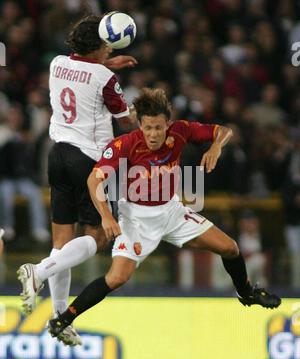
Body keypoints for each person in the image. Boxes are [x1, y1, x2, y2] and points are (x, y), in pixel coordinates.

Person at [22, 87, 280, 339]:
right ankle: (64, 319)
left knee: (231, 247)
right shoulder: (124, 144)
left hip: (171, 212)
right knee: (117, 277)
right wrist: (107, 216)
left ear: (167, 124)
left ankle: (246, 293)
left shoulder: (181, 131)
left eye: (158, 127)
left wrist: (215, 147)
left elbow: (224, 131)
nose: (153, 134)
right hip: (135, 218)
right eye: (148, 128)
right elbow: (93, 181)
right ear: (140, 126)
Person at [17, 15, 137, 346]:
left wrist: (107, 63)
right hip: (90, 162)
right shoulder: (105, 78)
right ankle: (38, 272)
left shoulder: (56, 63)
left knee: (63, 245)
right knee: (97, 238)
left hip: (57, 156)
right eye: (106, 45)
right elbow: (125, 122)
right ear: (99, 46)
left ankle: (58, 316)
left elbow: (81, 70)